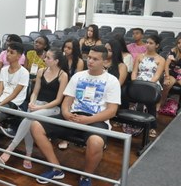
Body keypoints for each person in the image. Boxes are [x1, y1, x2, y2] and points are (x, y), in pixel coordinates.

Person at [31, 45, 121, 186]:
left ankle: (85, 176)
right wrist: (66, 113)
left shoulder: (112, 81)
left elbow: (111, 111)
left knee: (96, 142)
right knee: (36, 125)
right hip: (73, 116)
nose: (90, 61)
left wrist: (88, 120)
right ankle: (56, 168)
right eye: (89, 57)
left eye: (95, 59)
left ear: (104, 62)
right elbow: (67, 101)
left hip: (95, 119)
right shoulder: (78, 76)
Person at [0, 48, 68, 169]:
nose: (44, 59)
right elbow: (35, 92)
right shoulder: (41, 71)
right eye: (45, 57)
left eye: (48, 58)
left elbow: (58, 100)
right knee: (29, 121)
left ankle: (9, 150)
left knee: (28, 117)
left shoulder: (63, 75)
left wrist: (40, 107)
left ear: (56, 61)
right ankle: (28, 155)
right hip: (37, 105)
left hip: (52, 107)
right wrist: (32, 102)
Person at [131, 34, 165, 138]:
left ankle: (152, 127)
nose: (148, 45)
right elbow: (134, 72)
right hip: (139, 81)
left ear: (157, 45)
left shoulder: (161, 59)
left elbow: (157, 75)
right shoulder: (139, 56)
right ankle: (134, 122)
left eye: (151, 43)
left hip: (152, 84)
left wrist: (147, 85)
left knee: (150, 103)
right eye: (147, 42)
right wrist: (134, 81)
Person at [159, 36, 181, 110]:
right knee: (167, 85)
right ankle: (161, 103)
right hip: (173, 73)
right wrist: (167, 77)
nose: (180, 45)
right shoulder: (173, 51)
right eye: (178, 43)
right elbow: (166, 64)